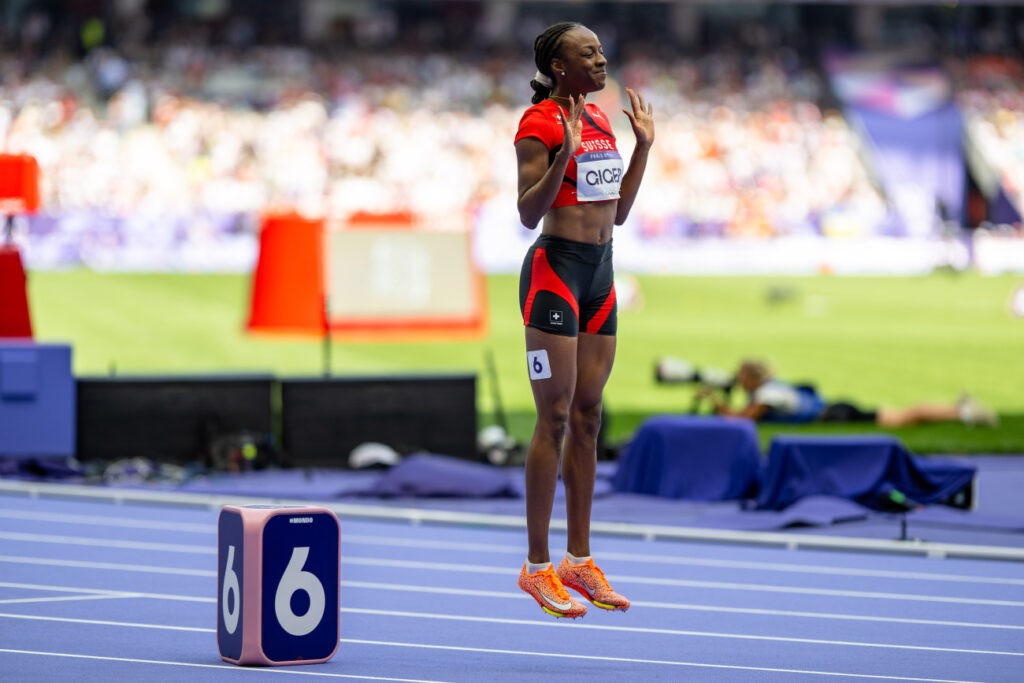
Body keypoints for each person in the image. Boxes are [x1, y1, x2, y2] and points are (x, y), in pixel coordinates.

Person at [513, 22, 653, 619]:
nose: (601, 59)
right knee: (554, 416)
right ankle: (538, 566)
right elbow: (526, 211)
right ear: (558, 66)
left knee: (590, 417)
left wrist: (642, 148)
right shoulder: (538, 123)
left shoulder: (599, 120)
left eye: (601, 50)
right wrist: (561, 152)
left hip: (601, 273)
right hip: (555, 273)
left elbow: (616, 213)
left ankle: (579, 559)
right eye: (588, 52)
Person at [658, 357, 999, 428]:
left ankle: (964, 412)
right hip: (835, 409)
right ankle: (959, 412)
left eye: (740, 376)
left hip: (838, 414)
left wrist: (716, 402)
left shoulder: (768, 396)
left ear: (750, 377)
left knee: (903, 416)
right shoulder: (770, 389)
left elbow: (744, 419)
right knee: (904, 416)